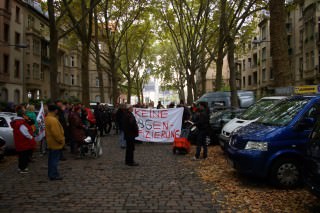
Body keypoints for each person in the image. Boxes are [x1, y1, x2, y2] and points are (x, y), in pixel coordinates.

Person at [10, 105, 37, 173]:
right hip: (23, 142)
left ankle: (20, 167)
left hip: (20, 141)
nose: (25, 110)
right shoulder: (20, 122)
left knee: (21, 155)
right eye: (24, 109)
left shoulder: (18, 121)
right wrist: (31, 137)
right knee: (23, 155)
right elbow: (24, 132)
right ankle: (23, 168)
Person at [45, 104, 65, 181]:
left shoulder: (48, 118)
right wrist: (61, 140)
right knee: (54, 160)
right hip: (55, 143)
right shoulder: (53, 120)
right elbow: (56, 133)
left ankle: (51, 173)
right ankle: (53, 174)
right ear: (55, 110)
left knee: (51, 159)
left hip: (50, 142)